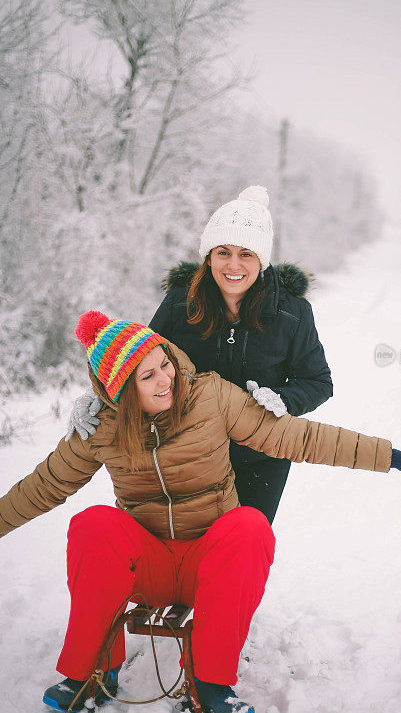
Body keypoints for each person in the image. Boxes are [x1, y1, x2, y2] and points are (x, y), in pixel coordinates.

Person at [0, 310, 401, 713]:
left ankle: (209, 682)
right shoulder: (99, 427)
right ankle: (92, 675)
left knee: (249, 525)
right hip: (148, 563)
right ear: (120, 390)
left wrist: (399, 458)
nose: (166, 380)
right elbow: (44, 486)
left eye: (165, 364)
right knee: (93, 523)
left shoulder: (211, 397)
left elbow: (297, 437)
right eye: (148, 377)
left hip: (209, 563)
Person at [67, 186, 333, 524]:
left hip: (261, 456)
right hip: (185, 453)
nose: (233, 265)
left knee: (244, 551)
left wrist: (282, 399)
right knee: (185, 558)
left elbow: (317, 381)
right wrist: (98, 396)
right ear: (209, 256)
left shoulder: (292, 312)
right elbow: (138, 364)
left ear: (261, 261)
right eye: (223, 252)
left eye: (246, 254)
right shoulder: (181, 302)